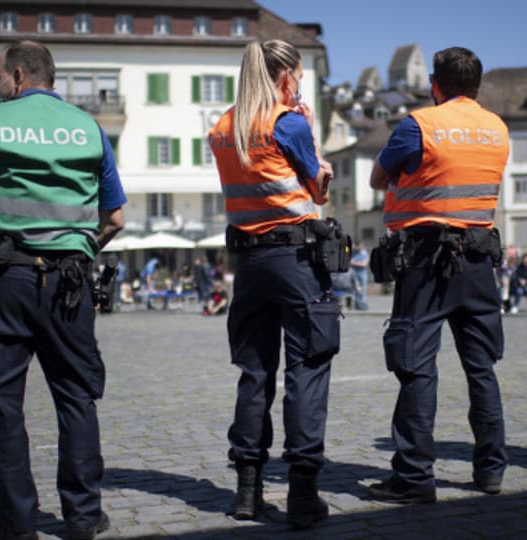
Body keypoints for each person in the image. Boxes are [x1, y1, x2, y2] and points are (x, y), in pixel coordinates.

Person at [0, 40, 125, 540]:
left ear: (18, 76)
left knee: (3, 403)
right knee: (76, 399)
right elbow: (116, 218)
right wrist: (82, 253)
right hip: (69, 282)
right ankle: (83, 517)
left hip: (3, 280)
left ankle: (17, 525)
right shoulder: (89, 128)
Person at [367, 46, 509, 502]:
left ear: (435, 84)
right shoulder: (497, 129)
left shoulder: (419, 124)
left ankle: (413, 478)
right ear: (476, 85)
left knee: (417, 367)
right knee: (481, 367)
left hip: (427, 258)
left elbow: (376, 177)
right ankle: (490, 470)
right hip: (478, 256)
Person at [208, 38, 338, 528]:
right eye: (299, 77)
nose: (300, 85)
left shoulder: (225, 127)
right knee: (308, 366)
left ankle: (247, 489)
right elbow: (316, 188)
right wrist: (318, 159)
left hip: (249, 262)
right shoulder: (288, 121)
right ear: (286, 78)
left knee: (255, 372)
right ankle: (303, 493)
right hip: (296, 256)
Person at [350, 243, 369, 310]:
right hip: (354, 274)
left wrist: (354, 263)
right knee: (354, 289)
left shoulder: (364, 254)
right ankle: (355, 304)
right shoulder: (353, 253)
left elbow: (364, 264)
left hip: (362, 274)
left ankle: (361, 304)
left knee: (362, 289)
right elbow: (349, 261)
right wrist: (359, 263)